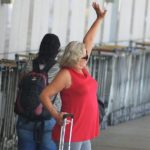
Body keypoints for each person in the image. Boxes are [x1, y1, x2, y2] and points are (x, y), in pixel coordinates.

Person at [40, 2, 106, 150]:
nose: (86, 59)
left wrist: (99, 19)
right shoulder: (66, 74)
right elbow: (44, 95)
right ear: (74, 58)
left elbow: (88, 41)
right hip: (72, 130)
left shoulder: (82, 67)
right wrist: (57, 116)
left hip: (84, 129)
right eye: (83, 57)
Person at [16, 33, 61, 150]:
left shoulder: (29, 64)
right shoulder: (58, 69)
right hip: (48, 118)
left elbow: (20, 85)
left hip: (25, 117)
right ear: (57, 50)